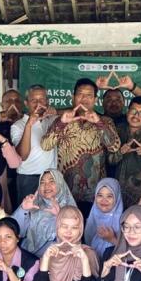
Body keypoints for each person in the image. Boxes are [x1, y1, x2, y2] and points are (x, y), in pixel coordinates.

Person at [41, 78, 121, 214]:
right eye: (80, 94)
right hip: (65, 191)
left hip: (95, 194)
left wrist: (98, 122)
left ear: (95, 100)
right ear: (73, 97)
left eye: (89, 95)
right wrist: (61, 123)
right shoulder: (62, 120)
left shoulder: (105, 121)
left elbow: (114, 147)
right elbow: (45, 145)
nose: (84, 99)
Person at [11, 85, 58, 204]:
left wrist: (56, 111)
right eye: (34, 100)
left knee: (51, 212)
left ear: (47, 102)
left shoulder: (52, 120)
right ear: (26, 103)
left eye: (42, 100)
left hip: (51, 177)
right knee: (28, 212)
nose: (39, 104)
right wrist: (29, 125)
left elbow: (71, 113)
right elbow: (22, 156)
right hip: (28, 178)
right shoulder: (18, 125)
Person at [110, 96, 141, 206]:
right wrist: (120, 153)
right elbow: (109, 161)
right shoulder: (117, 131)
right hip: (116, 192)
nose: (136, 116)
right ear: (127, 111)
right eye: (133, 111)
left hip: (139, 196)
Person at [14, 169, 77, 256]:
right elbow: (14, 231)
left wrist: (60, 216)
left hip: (56, 258)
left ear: (60, 183)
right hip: (27, 256)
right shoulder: (33, 204)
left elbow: (73, 240)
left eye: (52, 181)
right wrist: (23, 210)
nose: (46, 185)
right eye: (42, 182)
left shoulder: (71, 210)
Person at [83, 178, 123, 256]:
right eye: (100, 195)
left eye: (109, 196)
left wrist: (112, 239)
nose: (104, 200)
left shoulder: (124, 220)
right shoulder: (92, 215)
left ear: (117, 198)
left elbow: (128, 250)